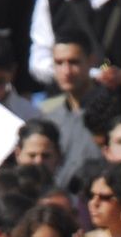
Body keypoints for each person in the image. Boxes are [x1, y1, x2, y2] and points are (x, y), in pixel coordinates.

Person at [38, 30, 105, 189]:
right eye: (59, 63)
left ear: (91, 61)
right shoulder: (47, 114)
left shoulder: (112, 109)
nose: (66, 71)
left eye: (74, 62)